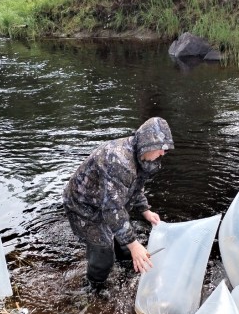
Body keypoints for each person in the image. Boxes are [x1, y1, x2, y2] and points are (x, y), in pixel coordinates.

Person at [63, 117, 174, 292]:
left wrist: (145, 210)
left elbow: (135, 187)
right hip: (83, 206)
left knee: (125, 246)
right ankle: (94, 288)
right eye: (161, 149)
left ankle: (126, 265)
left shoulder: (143, 157)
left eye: (166, 151)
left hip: (106, 201)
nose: (162, 154)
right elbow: (112, 209)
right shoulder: (119, 161)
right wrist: (133, 244)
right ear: (148, 144)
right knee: (103, 253)